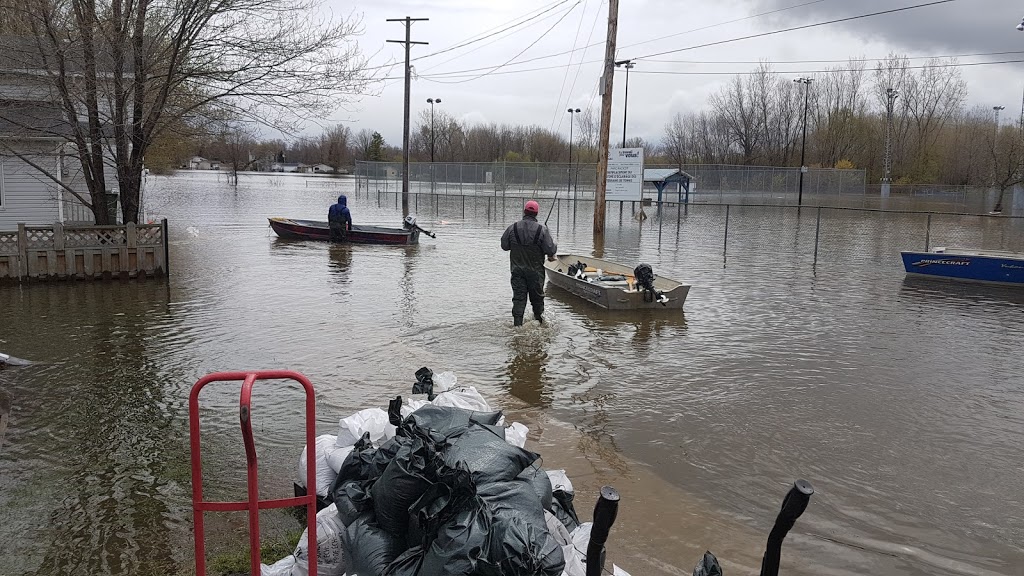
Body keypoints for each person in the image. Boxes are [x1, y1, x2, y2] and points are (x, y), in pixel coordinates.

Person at [501, 199, 557, 326]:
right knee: (537, 300)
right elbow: (550, 249)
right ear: (536, 214)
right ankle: (539, 324)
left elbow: (504, 246)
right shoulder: (542, 230)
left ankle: (517, 327)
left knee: (519, 299)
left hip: (517, 272)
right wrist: (553, 243)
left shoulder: (512, 228)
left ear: (524, 211)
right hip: (536, 274)